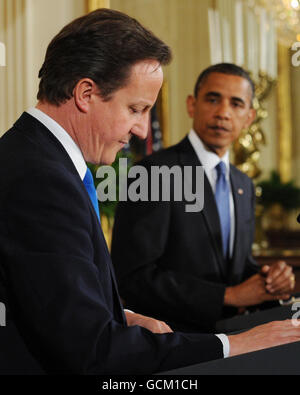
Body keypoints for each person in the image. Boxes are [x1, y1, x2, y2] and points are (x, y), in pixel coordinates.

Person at [0, 10, 299, 375]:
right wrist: (236, 344)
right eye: (136, 109)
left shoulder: (39, 160)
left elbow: (47, 298)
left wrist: (119, 316)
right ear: (86, 93)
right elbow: (88, 347)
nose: (143, 130)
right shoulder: (42, 177)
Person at [111, 63, 296, 333]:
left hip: (235, 339)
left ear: (249, 116)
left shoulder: (243, 184)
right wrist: (228, 296)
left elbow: (237, 266)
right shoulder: (155, 172)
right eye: (213, 99)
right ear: (191, 105)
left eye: (236, 104)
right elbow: (133, 276)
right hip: (172, 343)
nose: (222, 113)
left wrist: (271, 280)